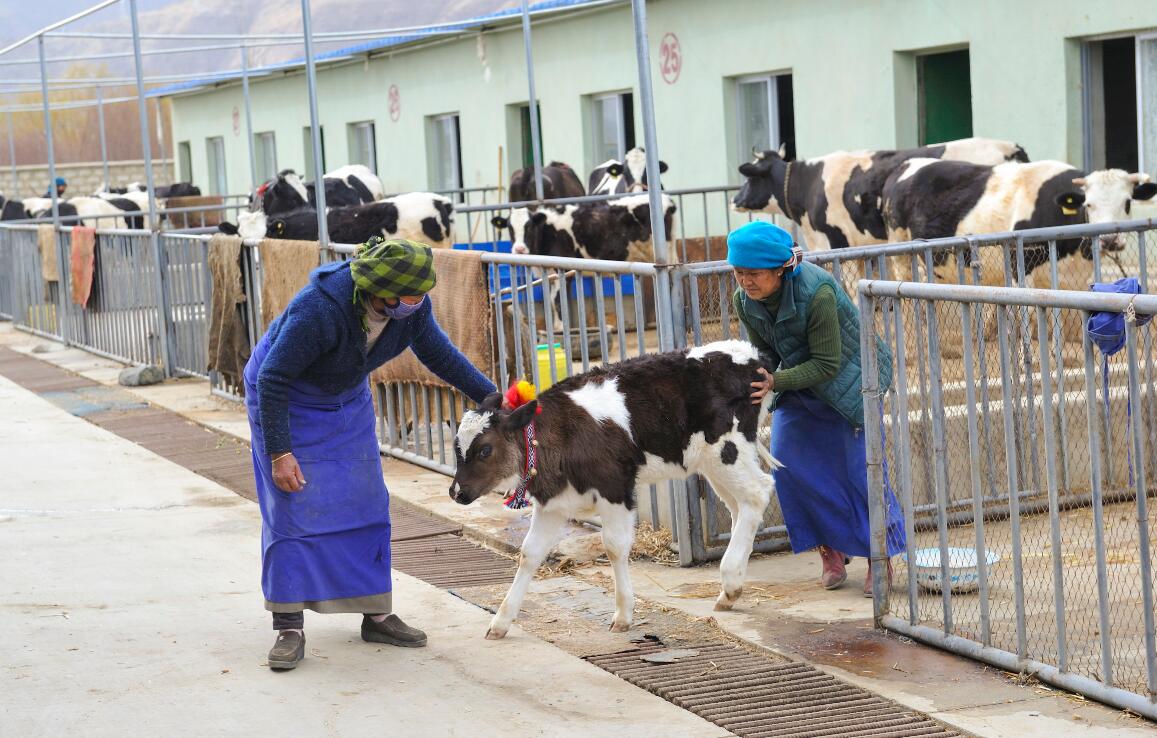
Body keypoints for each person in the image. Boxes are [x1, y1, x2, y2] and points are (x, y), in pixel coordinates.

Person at [244, 237, 496, 670]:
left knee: (367, 503)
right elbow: (272, 379)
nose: (419, 302)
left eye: (422, 294)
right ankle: (289, 625)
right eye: (411, 295)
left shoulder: (412, 309)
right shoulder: (319, 307)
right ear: (381, 289)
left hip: (346, 398)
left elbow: (436, 353)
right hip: (288, 400)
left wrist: (490, 397)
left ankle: (376, 613)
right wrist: (279, 452)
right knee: (292, 507)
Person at [728, 221, 904, 597]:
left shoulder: (818, 292)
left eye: (754, 273)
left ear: (780, 268)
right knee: (789, 467)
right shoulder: (745, 301)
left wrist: (776, 381)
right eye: (739, 272)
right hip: (797, 387)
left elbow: (827, 364)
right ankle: (830, 551)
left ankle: (879, 558)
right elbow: (768, 354)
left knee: (860, 474)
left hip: (849, 386)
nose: (746, 281)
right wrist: (755, 377)